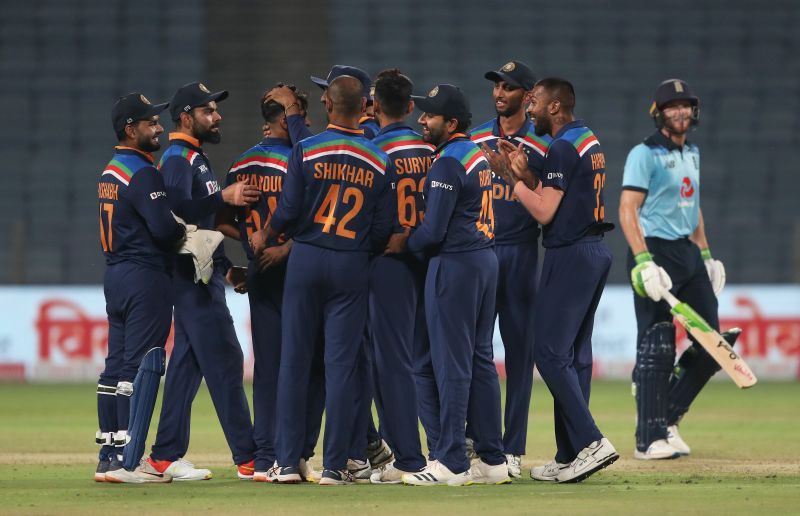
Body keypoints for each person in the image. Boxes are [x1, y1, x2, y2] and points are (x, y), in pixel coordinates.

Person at [487, 78, 618, 483]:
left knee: (547, 352)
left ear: (556, 107)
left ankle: (592, 442)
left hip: (571, 253)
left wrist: (511, 179)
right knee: (575, 355)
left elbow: (544, 212)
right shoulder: (587, 138)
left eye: (536, 105)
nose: (530, 112)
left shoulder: (561, 145)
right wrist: (528, 172)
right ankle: (569, 453)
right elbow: (561, 191)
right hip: (594, 251)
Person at [265, 75, 394, 486]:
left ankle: (286, 463)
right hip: (351, 263)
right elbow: (383, 227)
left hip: (306, 257)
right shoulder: (379, 159)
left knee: (295, 362)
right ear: (364, 109)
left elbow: (287, 211)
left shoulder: (305, 149)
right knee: (341, 368)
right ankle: (336, 466)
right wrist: (358, 248)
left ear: (327, 103)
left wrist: (266, 237)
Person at [386, 84, 509, 487]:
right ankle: (492, 460)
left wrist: (403, 243)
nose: (422, 120)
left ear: (451, 122)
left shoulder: (447, 162)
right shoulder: (475, 153)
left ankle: (451, 460)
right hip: (485, 260)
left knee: (451, 364)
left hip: (455, 265)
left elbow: (432, 231)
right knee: (479, 360)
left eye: (430, 115)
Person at [145, 82, 261, 481]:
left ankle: (164, 455)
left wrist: (227, 268)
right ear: (185, 117)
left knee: (187, 365)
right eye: (208, 110)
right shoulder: (178, 158)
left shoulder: (194, 157)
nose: (217, 116)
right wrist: (223, 198)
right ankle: (250, 457)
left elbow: (202, 228)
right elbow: (175, 214)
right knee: (226, 360)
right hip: (191, 278)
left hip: (203, 274)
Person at [216, 84, 324, 483]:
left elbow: (219, 217)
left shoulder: (241, 164)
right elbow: (318, 219)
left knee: (268, 366)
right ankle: (294, 453)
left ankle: (263, 458)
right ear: (285, 120)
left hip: (260, 270)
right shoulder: (300, 159)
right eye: (300, 118)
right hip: (297, 267)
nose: (305, 124)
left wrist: (248, 241)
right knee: (310, 365)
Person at [620, 78, 729, 460]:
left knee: (713, 343)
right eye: (672, 106)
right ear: (659, 113)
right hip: (655, 253)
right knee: (657, 344)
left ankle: (665, 419)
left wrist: (705, 255)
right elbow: (627, 209)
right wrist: (643, 261)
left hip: (686, 252)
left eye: (685, 105)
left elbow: (693, 207)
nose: (680, 111)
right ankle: (648, 440)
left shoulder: (692, 153)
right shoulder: (644, 154)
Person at [97, 93, 186, 483]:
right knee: (143, 364)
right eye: (152, 123)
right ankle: (130, 461)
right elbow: (165, 230)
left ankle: (110, 454)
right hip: (145, 275)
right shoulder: (143, 172)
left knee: (115, 366)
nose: (160, 128)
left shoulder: (111, 169)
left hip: (115, 275)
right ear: (130, 129)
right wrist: (185, 230)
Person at [469, 60, 550, 478]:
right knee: (471, 351)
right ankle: (479, 444)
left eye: (509, 87)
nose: (500, 93)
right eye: (496, 86)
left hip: (519, 253)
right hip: (479, 250)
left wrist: (528, 180)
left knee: (520, 355)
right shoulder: (477, 136)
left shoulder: (541, 140)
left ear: (528, 94)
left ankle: (513, 448)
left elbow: (549, 199)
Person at [367, 68, 434, 484]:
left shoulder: (373, 150)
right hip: (427, 258)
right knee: (428, 361)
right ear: (411, 107)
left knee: (391, 362)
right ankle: (448, 447)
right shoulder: (431, 149)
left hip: (388, 262)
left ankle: (409, 458)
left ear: (375, 107)